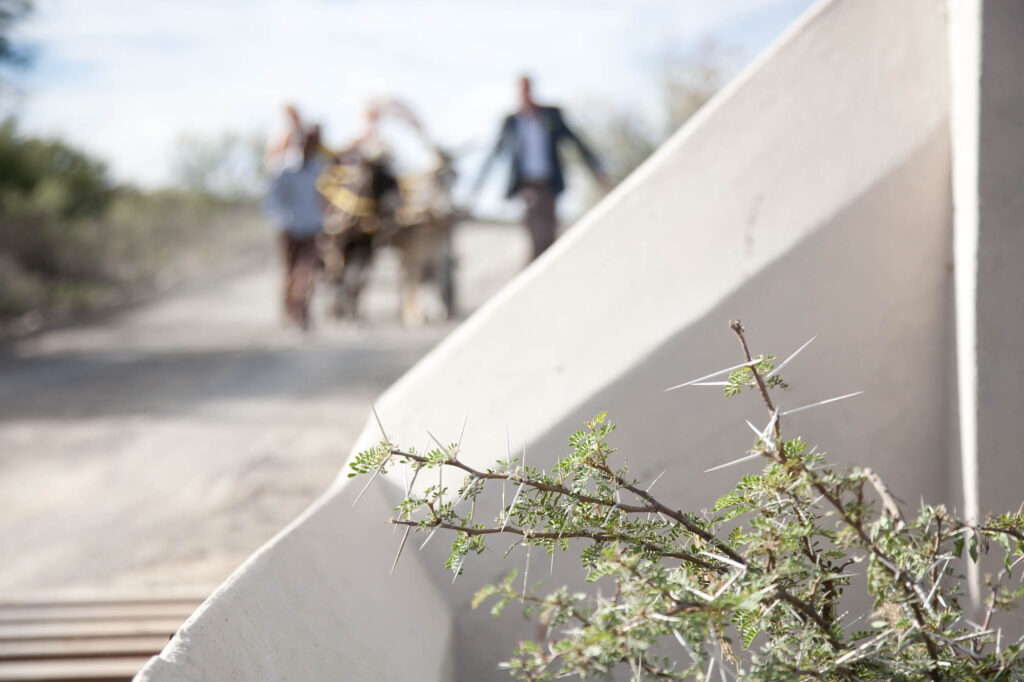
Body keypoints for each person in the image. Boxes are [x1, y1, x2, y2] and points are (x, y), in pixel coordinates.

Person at [475, 75, 611, 259]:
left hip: (549, 185)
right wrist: (475, 191)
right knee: (537, 232)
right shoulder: (512, 122)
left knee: (548, 235)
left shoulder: (551, 115)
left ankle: (543, 264)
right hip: (526, 186)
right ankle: (538, 264)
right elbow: (494, 155)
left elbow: (576, 142)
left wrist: (597, 170)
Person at [265, 129, 327, 329]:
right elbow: (273, 200)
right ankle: (289, 310)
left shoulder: (316, 170)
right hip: (289, 229)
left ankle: (303, 312)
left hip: (311, 228)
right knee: (289, 271)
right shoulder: (283, 170)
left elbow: (321, 198)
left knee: (307, 271)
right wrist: (281, 220)